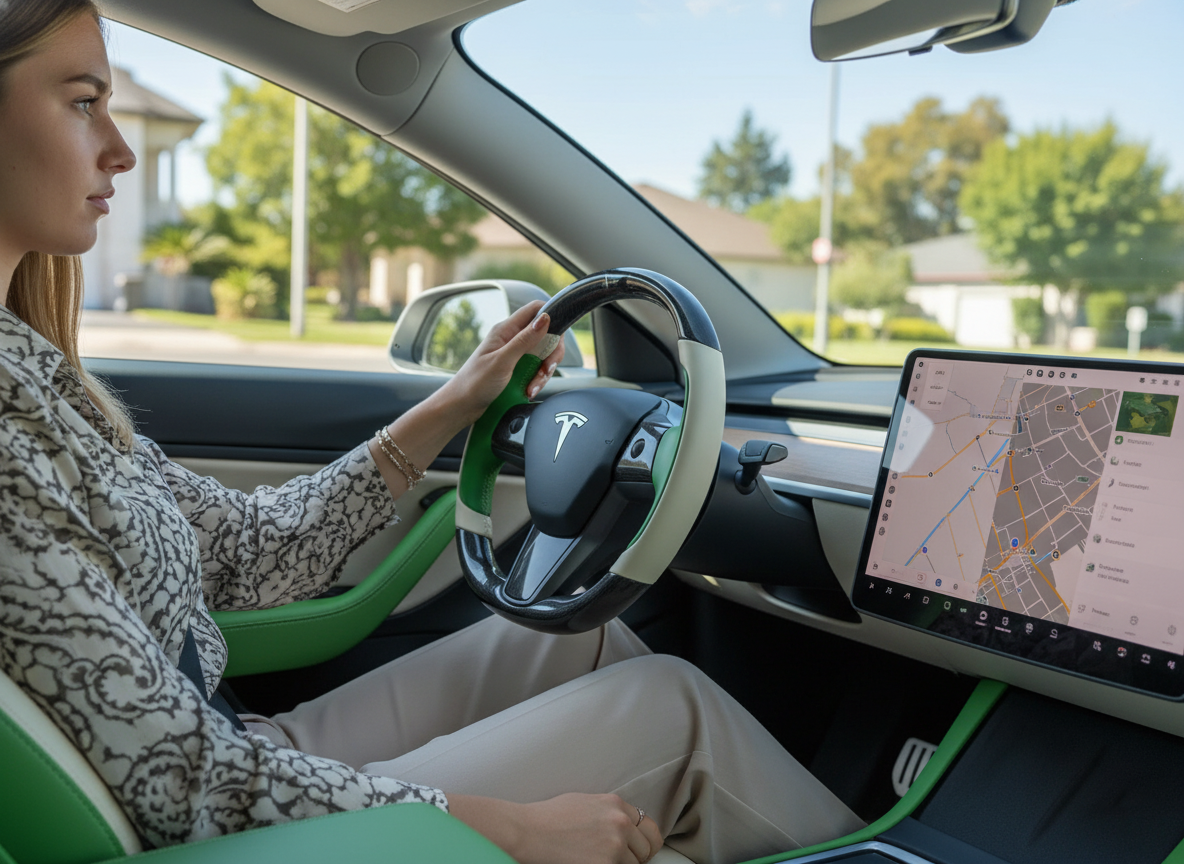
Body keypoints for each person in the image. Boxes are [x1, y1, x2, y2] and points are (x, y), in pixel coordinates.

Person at [0, 3, 864, 863]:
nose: (121, 147)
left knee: (583, 639)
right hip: (224, 818)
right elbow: (183, 788)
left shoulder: (35, 378)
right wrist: (512, 828)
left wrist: (457, 400)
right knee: (674, 712)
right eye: (83, 102)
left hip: (234, 756)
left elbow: (245, 554)